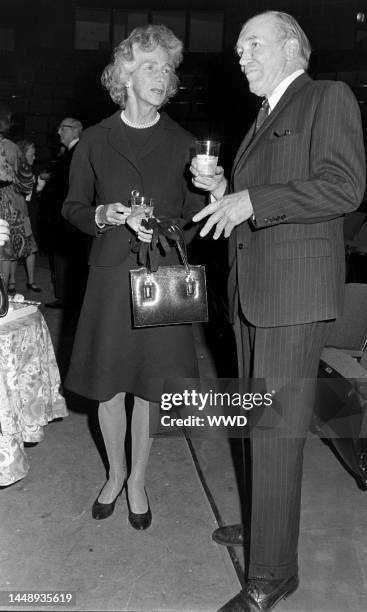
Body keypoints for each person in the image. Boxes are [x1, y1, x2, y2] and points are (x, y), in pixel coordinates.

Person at [191, 10, 365, 612]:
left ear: (292, 46)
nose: (241, 57)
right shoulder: (264, 115)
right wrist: (222, 193)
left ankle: (273, 573)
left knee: (275, 433)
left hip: (293, 296)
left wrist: (251, 200)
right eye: (239, 48)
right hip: (254, 295)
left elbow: (344, 186)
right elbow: (260, 199)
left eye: (252, 45)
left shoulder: (326, 97)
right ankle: (266, 524)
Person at [62, 24, 204, 530]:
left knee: (149, 385)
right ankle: (115, 474)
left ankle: (139, 479)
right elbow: (74, 207)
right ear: (124, 74)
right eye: (150, 66)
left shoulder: (186, 144)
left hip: (161, 275)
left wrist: (202, 199)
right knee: (108, 386)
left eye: (168, 68)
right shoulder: (95, 141)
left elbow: (194, 216)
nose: (162, 77)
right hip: (109, 276)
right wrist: (107, 215)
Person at [41, 117, 85, 308]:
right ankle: (67, 296)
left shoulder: (77, 152)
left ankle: (67, 298)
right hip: (65, 216)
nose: (59, 132)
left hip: (67, 217)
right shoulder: (68, 153)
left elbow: (69, 185)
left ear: (75, 131)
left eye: (62, 128)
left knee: (65, 257)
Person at [0, 103, 39, 294]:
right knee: (4, 252)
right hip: (8, 203)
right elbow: (25, 181)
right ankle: (2, 299)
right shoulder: (11, 147)